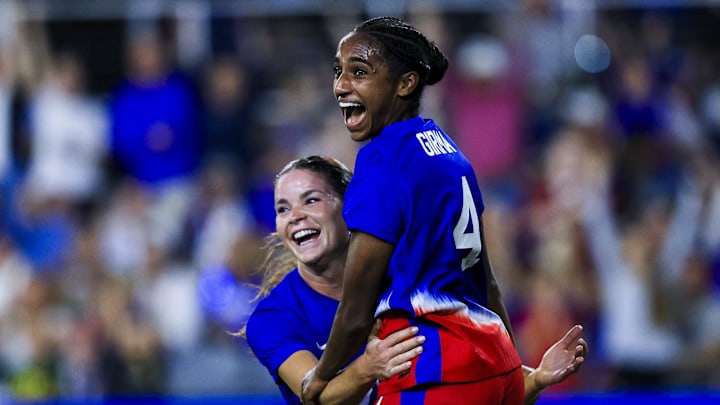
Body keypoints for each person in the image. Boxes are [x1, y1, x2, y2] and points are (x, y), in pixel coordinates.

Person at [300, 17, 584, 404]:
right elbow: (487, 283)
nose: (341, 85)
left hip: (432, 375)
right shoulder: (448, 151)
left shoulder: (384, 160)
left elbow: (355, 310)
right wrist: (514, 373)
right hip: (492, 363)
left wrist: (318, 381)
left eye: (360, 72)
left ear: (405, 83)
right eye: (339, 71)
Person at [245, 156, 587, 405]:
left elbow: (472, 391)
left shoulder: (414, 281)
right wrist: (368, 367)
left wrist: (538, 379)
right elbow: (314, 398)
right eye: (283, 209)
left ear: (351, 207)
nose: (295, 217)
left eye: (312, 200)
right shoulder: (273, 319)